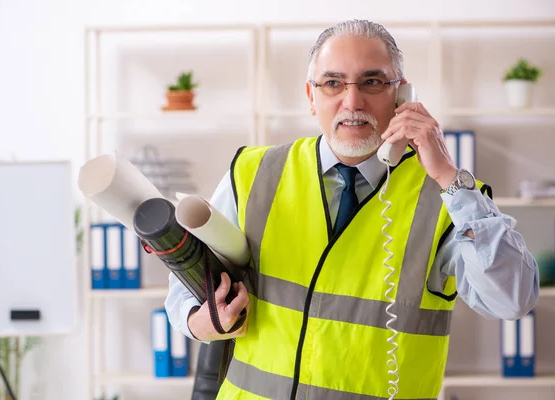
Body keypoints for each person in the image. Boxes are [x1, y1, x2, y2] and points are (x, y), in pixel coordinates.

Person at [165, 19, 540, 400]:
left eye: (372, 82)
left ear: (402, 95)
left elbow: (511, 300)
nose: (352, 101)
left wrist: (447, 174)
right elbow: (185, 288)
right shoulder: (253, 172)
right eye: (332, 83)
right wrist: (200, 323)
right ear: (311, 97)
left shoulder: (448, 199)